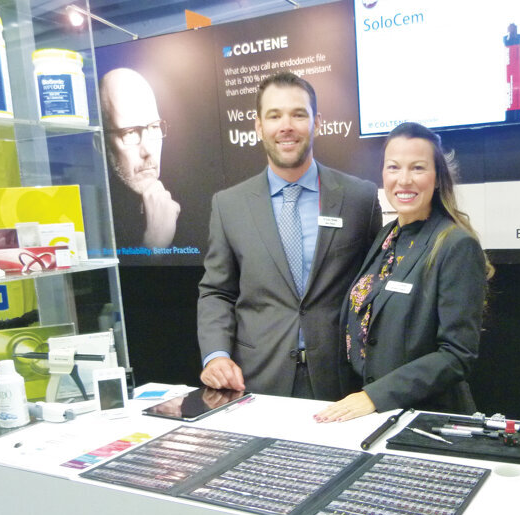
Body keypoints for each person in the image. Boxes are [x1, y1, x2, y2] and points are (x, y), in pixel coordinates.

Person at [197, 72, 382, 400]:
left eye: (298, 114)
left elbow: (374, 290)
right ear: (258, 127)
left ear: (317, 123)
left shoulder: (360, 199)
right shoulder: (229, 205)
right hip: (255, 379)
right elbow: (216, 292)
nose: (287, 126)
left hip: (342, 382)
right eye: (274, 115)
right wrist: (216, 355)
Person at [314, 122, 493, 423]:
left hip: (427, 420)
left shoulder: (455, 245)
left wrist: (375, 396)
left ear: (437, 179)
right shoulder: (386, 236)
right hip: (376, 415)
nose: (404, 180)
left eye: (418, 168)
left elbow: (456, 356)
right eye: (393, 167)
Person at [99, 67, 180, 250]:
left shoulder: (199, 204)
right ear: (100, 143)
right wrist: (154, 243)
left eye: (153, 127)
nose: (148, 150)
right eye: (130, 133)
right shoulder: (94, 218)